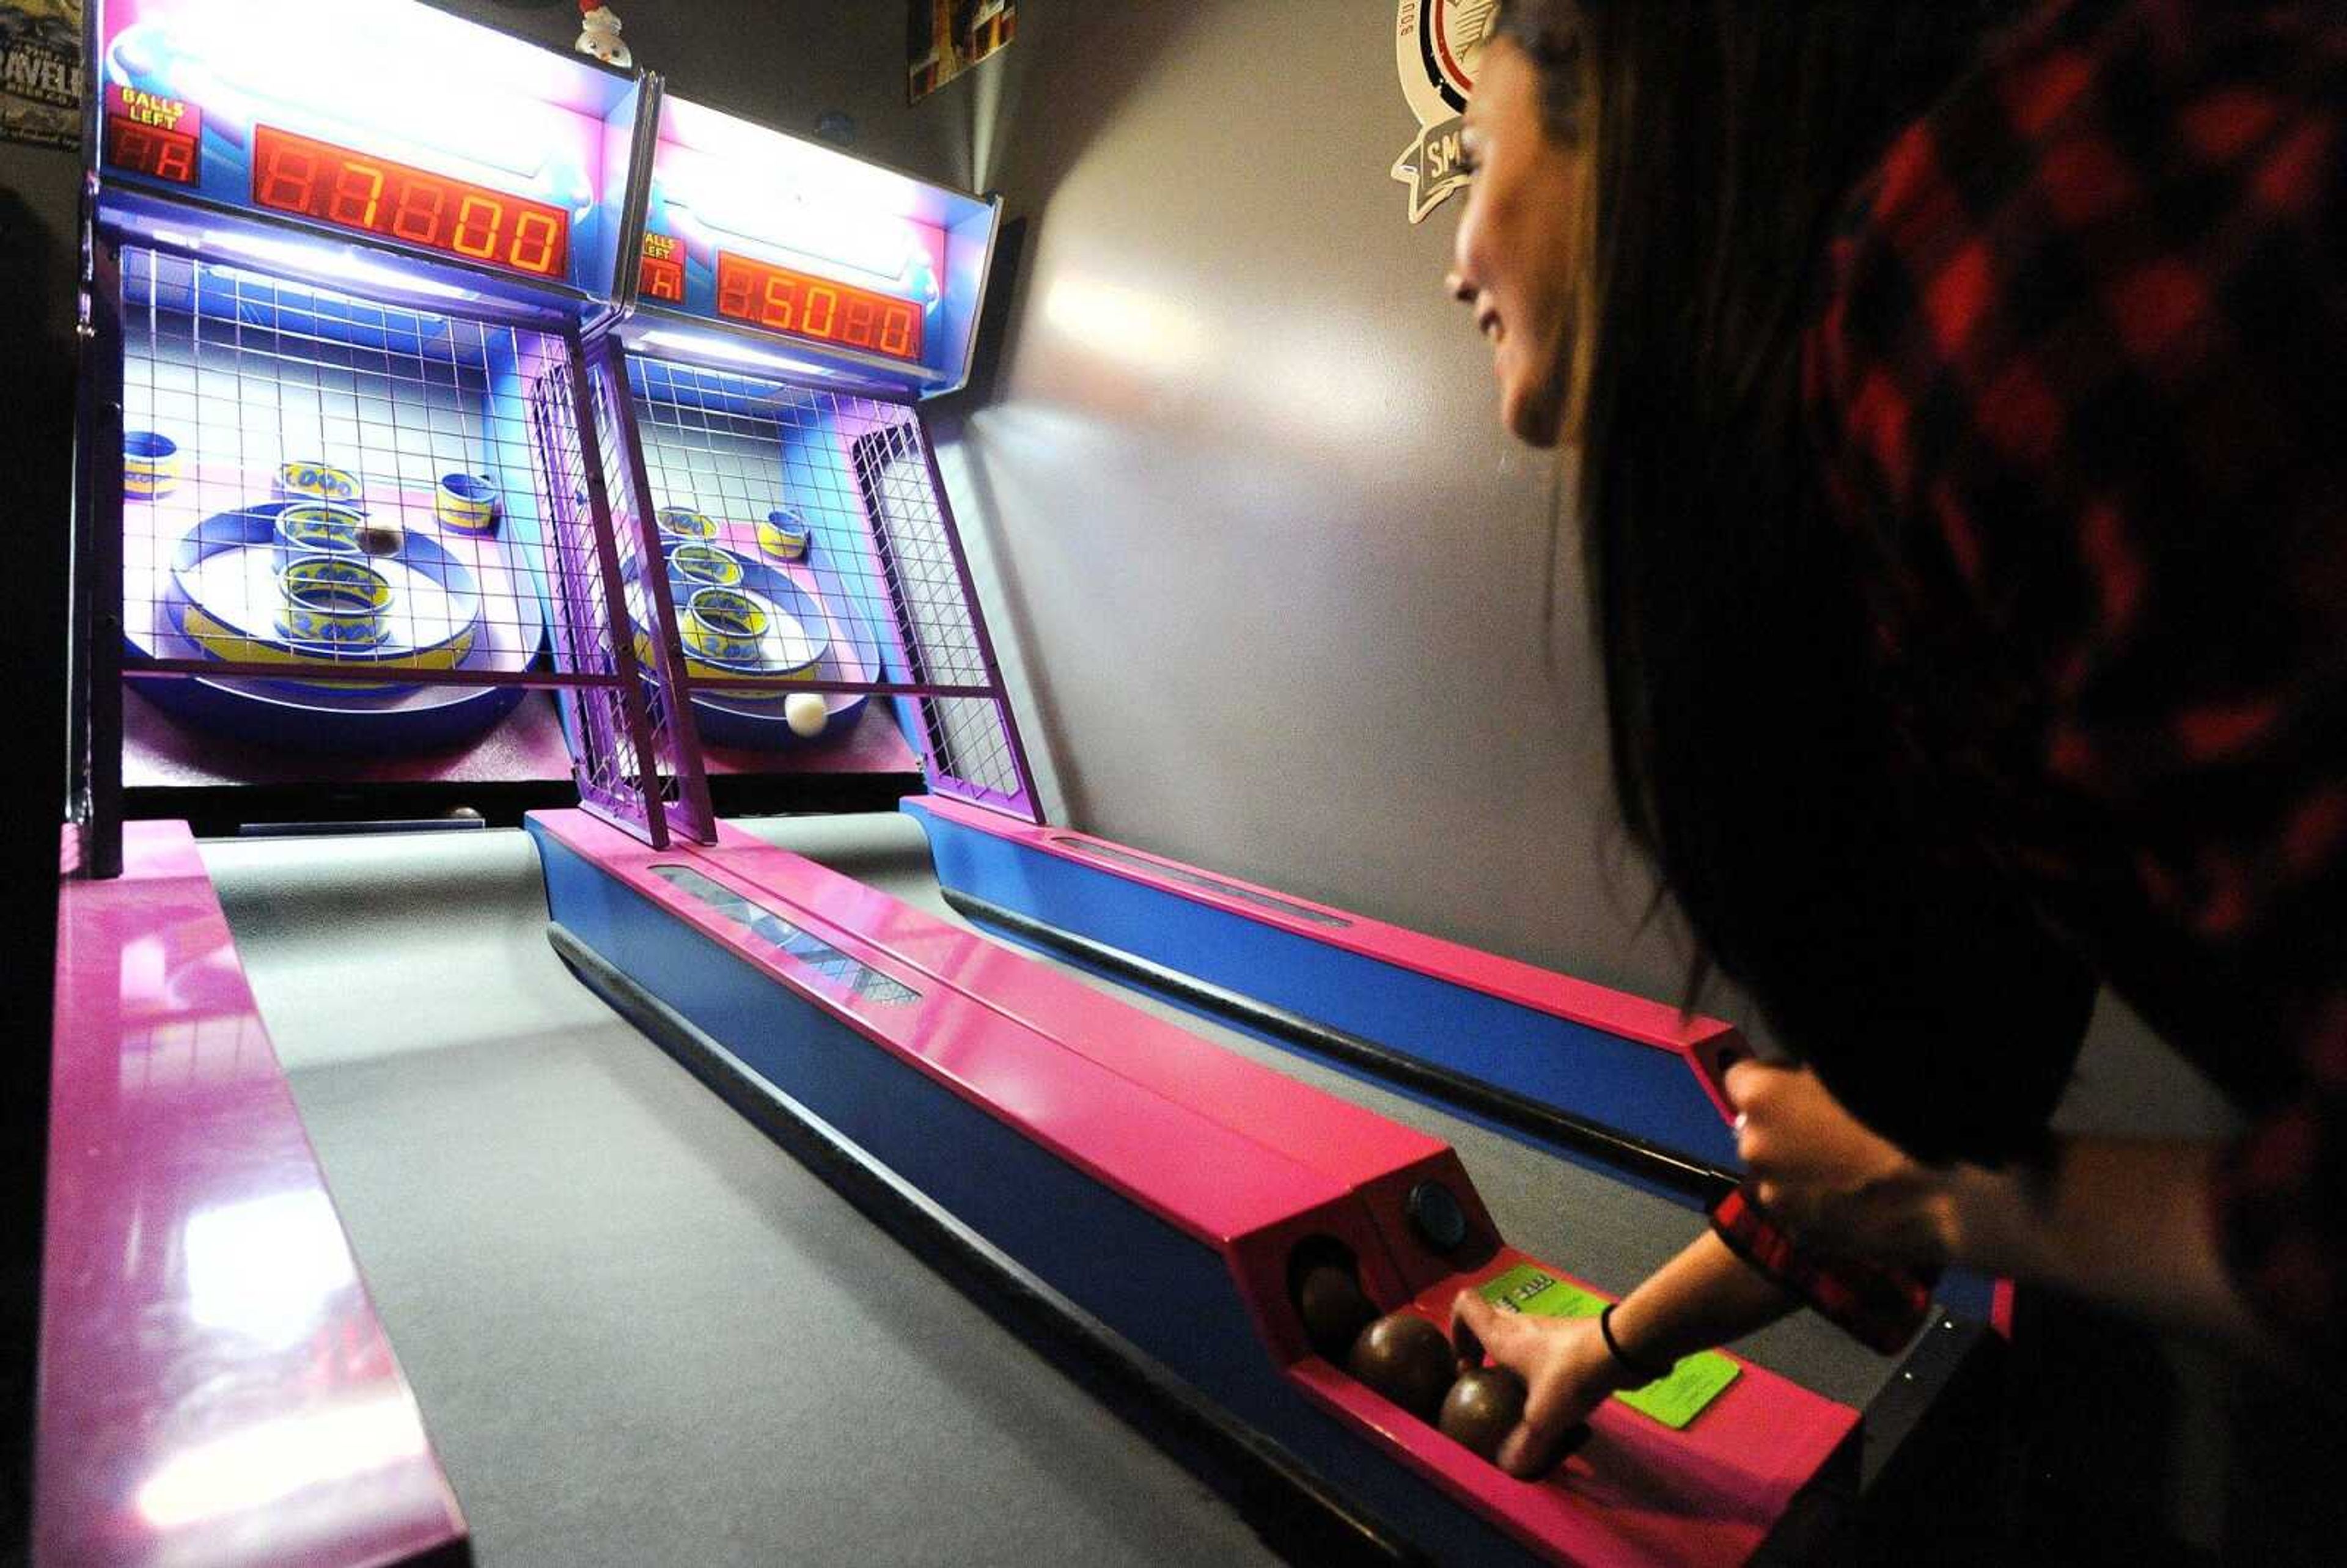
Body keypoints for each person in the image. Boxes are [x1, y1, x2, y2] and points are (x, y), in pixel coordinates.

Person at [1441, 0, 2346, 1490]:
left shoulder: (2007, 250)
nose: (1456, 253)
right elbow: (1880, 1130)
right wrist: (1600, 1344)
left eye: (1473, 151)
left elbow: (1920, 1175)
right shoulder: (1876, 403)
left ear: (1621, 78)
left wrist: (1952, 1207)